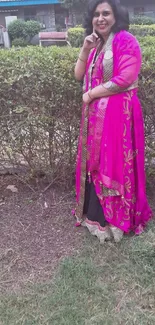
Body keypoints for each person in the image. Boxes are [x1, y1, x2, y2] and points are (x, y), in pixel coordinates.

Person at [74, 0, 152, 243]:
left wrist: (92, 94)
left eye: (106, 13)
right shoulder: (96, 45)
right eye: (96, 14)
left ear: (116, 16)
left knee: (115, 163)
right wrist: (85, 49)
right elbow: (79, 75)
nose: (101, 18)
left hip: (120, 116)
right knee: (96, 164)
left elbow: (126, 77)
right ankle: (97, 216)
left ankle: (116, 220)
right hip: (96, 118)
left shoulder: (125, 40)